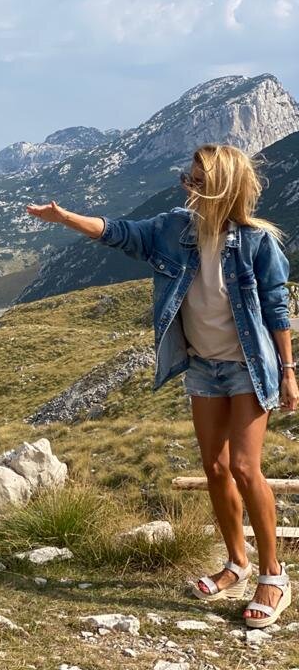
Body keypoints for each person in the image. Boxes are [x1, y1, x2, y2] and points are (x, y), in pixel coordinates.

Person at [26, 143, 298, 628]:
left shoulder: (257, 242)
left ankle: (274, 577)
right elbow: (119, 233)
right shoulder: (173, 229)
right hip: (202, 367)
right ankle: (237, 564)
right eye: (187, 176)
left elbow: (278, 309)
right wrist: (66, 217)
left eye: (196, 178)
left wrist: (288, 370)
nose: (186, 184)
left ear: (220, 186)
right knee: (214, 468)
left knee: (243, 466)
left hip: (249, 367)